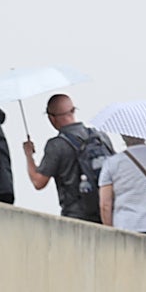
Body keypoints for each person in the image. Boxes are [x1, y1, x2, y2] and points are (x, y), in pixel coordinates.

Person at [23, 94, 114, 223]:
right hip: (105, 214)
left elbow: (38, 182)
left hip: (75, 217)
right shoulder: (101, 137)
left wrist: (28, 155)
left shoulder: (57, 144)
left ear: (51, 118)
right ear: (73, 111)